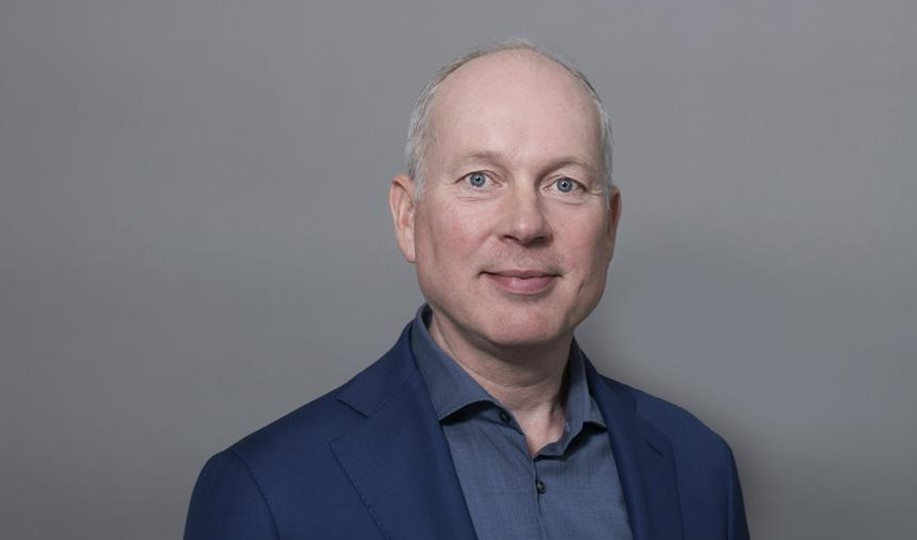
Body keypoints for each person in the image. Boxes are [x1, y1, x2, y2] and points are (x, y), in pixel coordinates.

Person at [184, 39, 749, 540]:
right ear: (408, 217)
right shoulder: (267, 490)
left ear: (610, 226)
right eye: (480, 179)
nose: (526, 224)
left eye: (565, 184)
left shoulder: (699, 467)